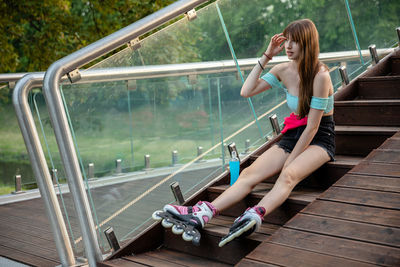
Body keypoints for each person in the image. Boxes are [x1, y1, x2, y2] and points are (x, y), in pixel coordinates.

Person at [161, 18, 335, 246]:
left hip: (320, 139)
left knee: (288, 175)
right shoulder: (282, 69)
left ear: (308, 43)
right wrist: (267, 55)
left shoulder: (320, 76)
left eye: (296, 42)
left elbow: (313, 127)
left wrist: (289, 162)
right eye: (287, 41)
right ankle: (203, 213)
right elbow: (246, 91)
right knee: (248, 175)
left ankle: (255, 214)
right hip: (294, 135)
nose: (289, 46)